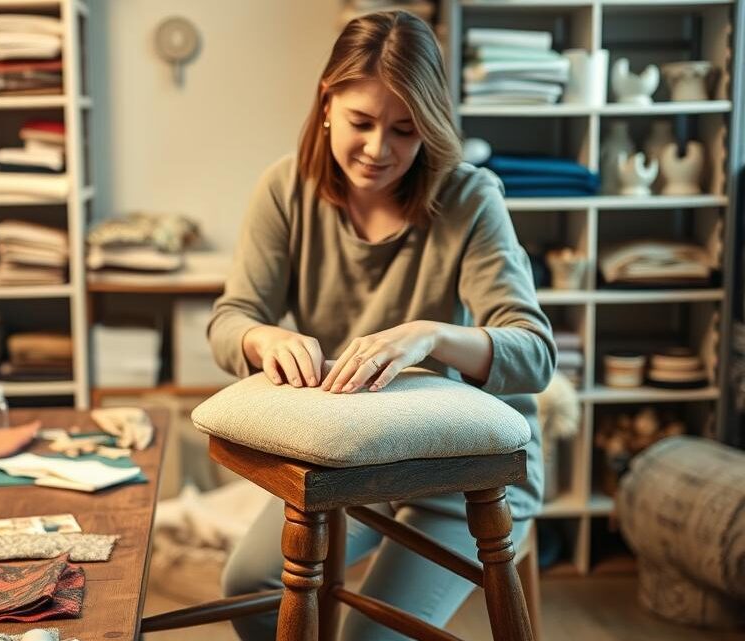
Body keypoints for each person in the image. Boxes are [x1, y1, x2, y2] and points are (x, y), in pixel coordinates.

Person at [207, 10, 556, 640]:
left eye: (405, 129)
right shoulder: (286, 189)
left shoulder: (471, 197)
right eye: (361, 122)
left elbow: (535, 354)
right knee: (247, 586)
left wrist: (430, 334)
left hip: (465, 469)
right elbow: (231, 321)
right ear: (327, 100)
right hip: (351, 458)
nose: (378, 150)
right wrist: (264, 339)